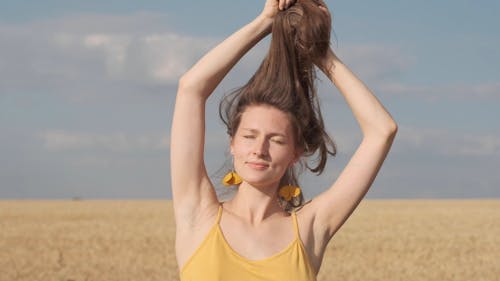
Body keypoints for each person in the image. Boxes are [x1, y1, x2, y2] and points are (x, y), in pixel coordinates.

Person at [170, 0, 397, 280]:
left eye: (276, 140)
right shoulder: (197, 214)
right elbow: (190, 88)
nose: (259, 150)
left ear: (295, 153)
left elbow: (382, 130)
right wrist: (265, 22)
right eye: (249, 136)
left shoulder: (309, 229)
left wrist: (321, 53)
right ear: (232, 143)